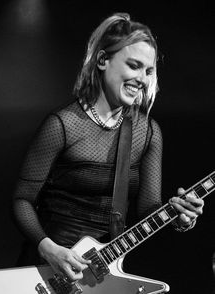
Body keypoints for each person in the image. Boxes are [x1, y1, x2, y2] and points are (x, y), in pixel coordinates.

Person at [12, 12, 204, 283]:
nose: (143, 78)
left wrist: (178, 217)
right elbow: (21, 200)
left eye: (148, 71)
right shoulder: (62, 125)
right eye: (134, 65)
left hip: (100, 274)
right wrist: (49, 248)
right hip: (48, 271)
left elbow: (149, 208)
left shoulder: (147, 131)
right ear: (103, 60)